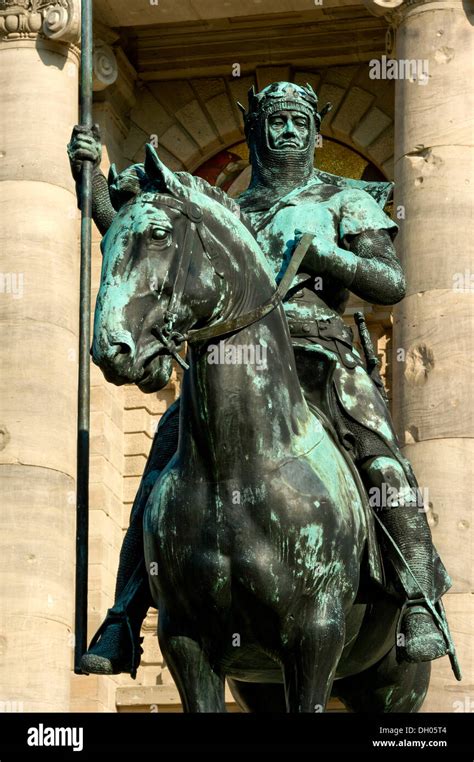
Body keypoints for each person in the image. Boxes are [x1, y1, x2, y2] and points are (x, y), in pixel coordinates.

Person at [68, 81, 453, 679]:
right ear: (255, 131)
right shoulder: (228, 211)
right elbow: (140, 239)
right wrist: (91, 182)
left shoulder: (345, 199)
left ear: (317, 132)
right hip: (227, 363)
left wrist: (331, 258)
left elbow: (390, 282)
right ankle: (124, 617)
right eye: (274, 120)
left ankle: (418, 602)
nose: (288, 130)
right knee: (163, 460)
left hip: (320, 356)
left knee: (381, 456)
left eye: (299, 120)